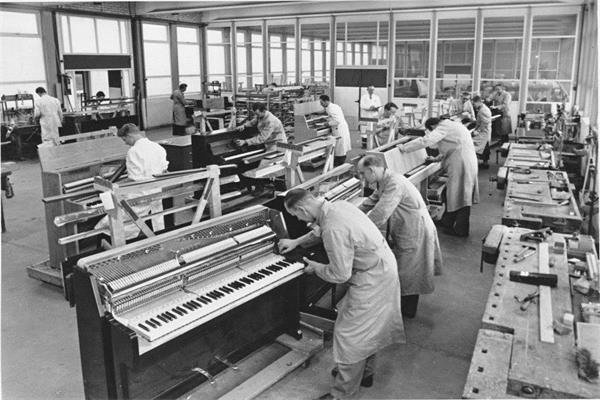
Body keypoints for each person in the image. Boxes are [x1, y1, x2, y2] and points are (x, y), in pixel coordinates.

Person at [278, 189, 405, 400]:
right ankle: (364, 373)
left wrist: (316, 267)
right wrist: (296, 242)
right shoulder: (337, 207)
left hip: (372, 279)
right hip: (382, 268)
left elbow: (339, 274)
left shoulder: (333, 228)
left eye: (296, 216)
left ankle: (342, 394)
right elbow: (320, 230)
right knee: (369, 328)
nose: (299, 220)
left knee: (350, 336)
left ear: (302, 209)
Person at [357, 155, 443, 318]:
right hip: (408, 228)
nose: (362, 177)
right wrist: (352, 212)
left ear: (372, 170)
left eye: (362, 173)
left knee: (410, 272)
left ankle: (406, 311)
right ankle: (402, 307)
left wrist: (358, 230)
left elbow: (380, 213)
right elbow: (372, 201)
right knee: (408, 269)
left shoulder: (394, 183)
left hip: (414, 229)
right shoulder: (385, 180)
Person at [398, 117, 479, 237]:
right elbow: (452, 146)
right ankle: (447, 222)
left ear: (432, 127)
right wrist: (436, 159)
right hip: (464, 161)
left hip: (461, 163)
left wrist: (404, 148)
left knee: (462, 195)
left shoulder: (443, 127)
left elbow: (426, 141)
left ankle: (461, 230)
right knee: (451, 194)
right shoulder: (453, 125)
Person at [94, 124, 169, 240]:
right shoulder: (158, 147)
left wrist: (114, 185)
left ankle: (115, 243)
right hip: (156, 192)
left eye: (125, 140)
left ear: (130, 136)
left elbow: (134, 179)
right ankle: (156, 239)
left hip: (140, 195)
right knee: (156, 221)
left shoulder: (133, 151)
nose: (125, 143)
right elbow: (164, 171)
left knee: (107, 224)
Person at [319, 95, 351, 166]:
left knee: (340, 145)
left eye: (322, 102)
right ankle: (339, 159)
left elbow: (337, 121)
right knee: (340, 145)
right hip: (341, 126)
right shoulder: (333, 106)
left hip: (339, 128)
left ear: (326, 101)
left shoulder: (331, 108)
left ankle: (340, 161)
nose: (321, 104)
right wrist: (327, 118)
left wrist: (327, 124)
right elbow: (333, 116)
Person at [471, 96, 492, 169]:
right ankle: (484, 163)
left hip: (484, 132)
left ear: (479, 102)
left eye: (474, 104)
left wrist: (477, 131)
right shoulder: (482, 108)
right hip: (484, 131)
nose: (473, 105)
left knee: (478, 146)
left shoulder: (483, 110)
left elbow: (485, 123)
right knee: (485, 147)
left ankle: (482, 164)